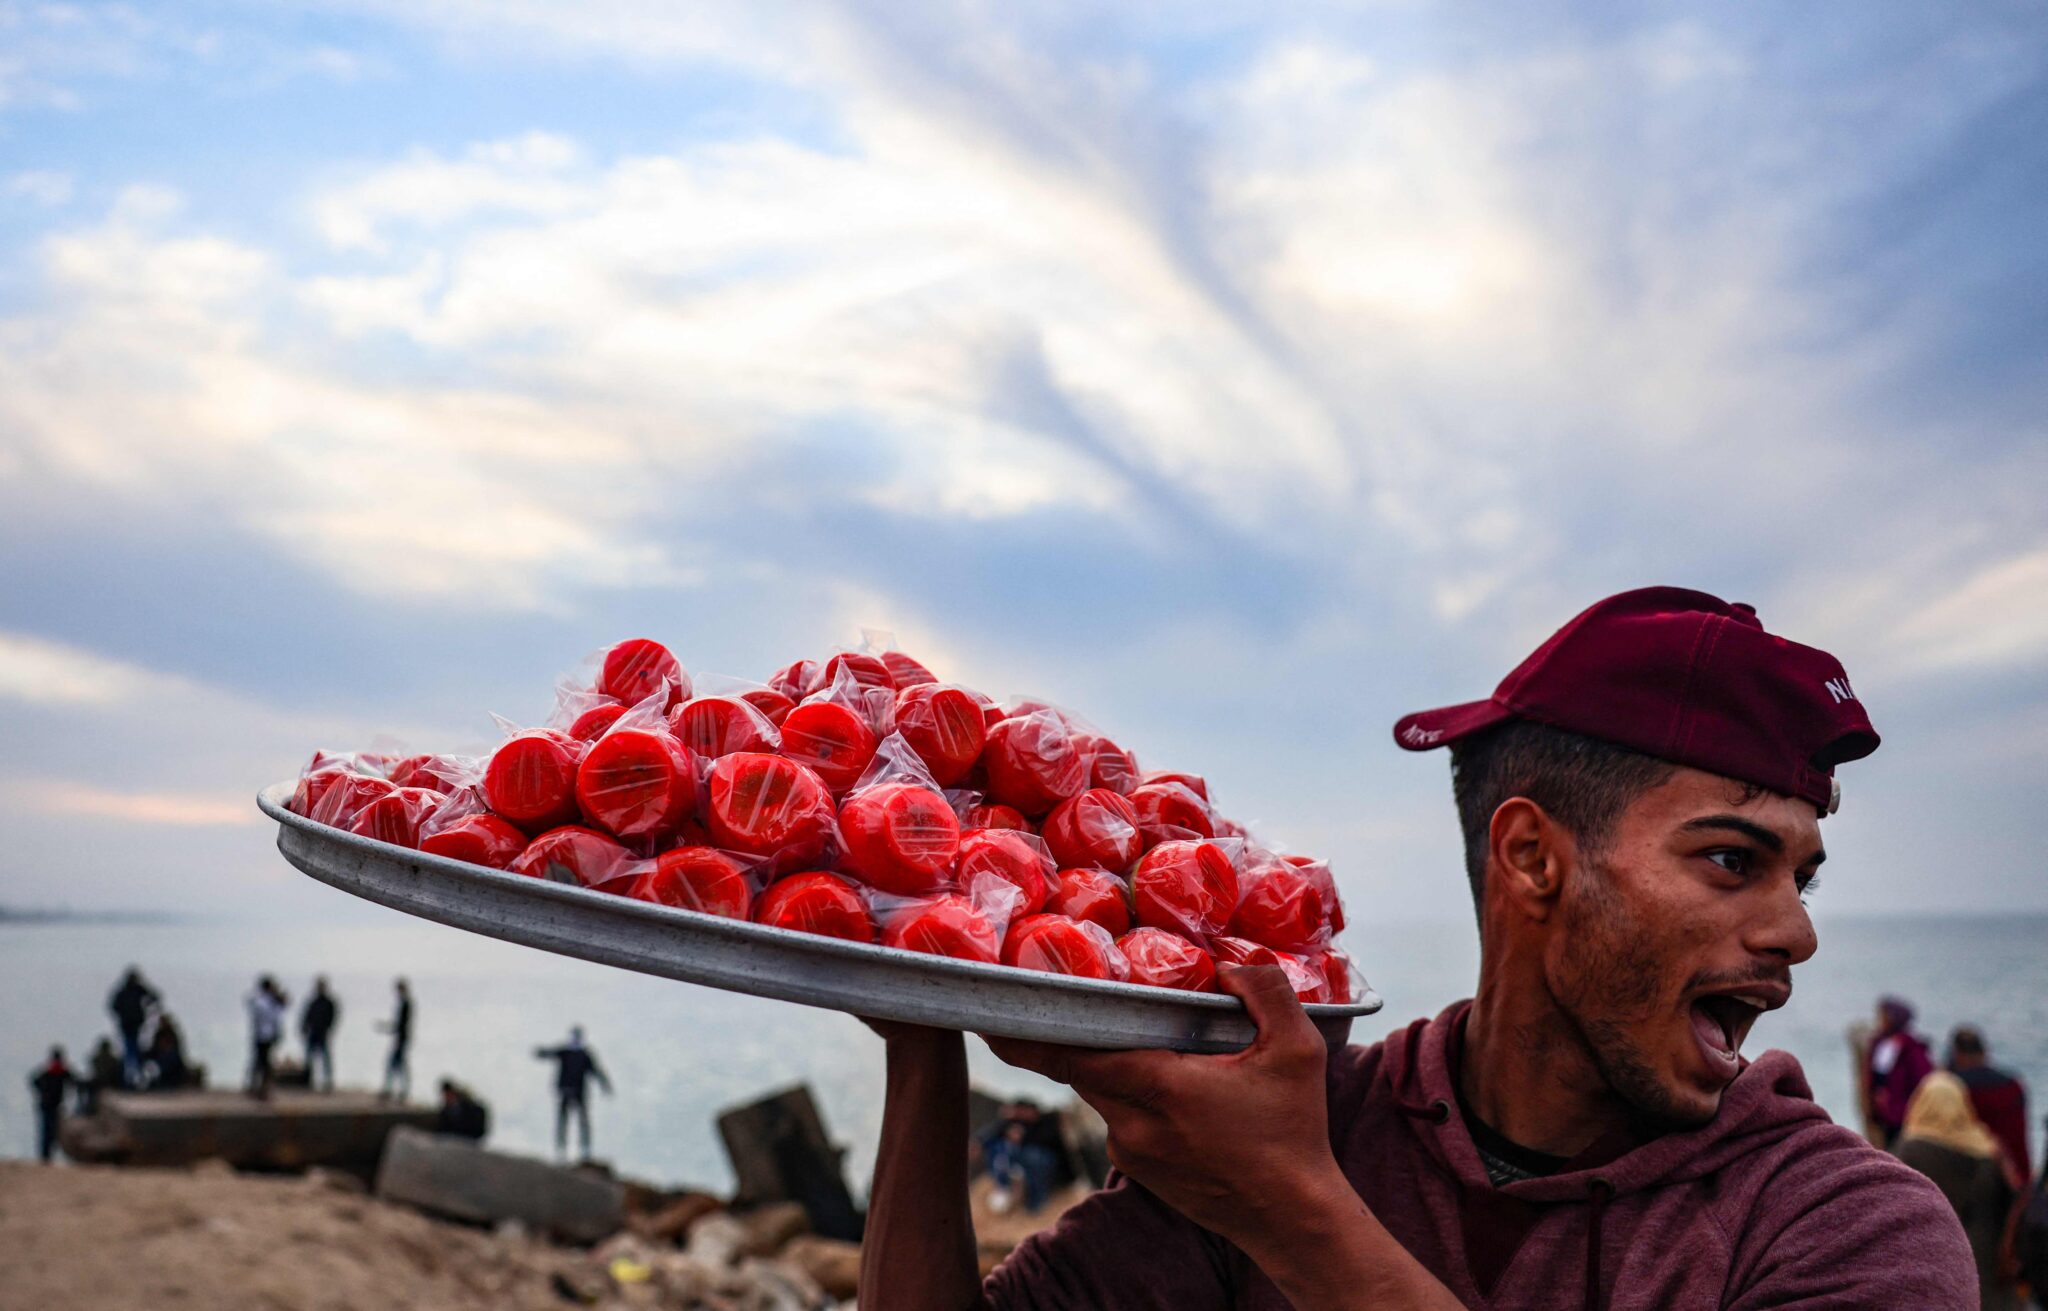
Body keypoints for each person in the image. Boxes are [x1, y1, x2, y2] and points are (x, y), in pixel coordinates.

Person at [859, 587, 1977, 1308]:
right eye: (1732, 861)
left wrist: (1288, 1212)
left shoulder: (1842, 1225)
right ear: (1533, 858)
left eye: (1801, 874)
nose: (1795, 931)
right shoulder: (1324, 1127)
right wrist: (918, 1020)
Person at [1894, 1071, 2021, 1311]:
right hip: (1988, 1267)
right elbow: (2011, 1198)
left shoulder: (1910, 1150)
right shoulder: (1989, 1149)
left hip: (1933, 1264)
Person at [1950, 1026, 2031, 1185]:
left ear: (1957, 1055)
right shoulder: (2013, 1085)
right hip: (2019, 1171)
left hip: (1976, 1172)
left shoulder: (1957, 1087)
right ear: (1984, 1053)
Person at [534, 1025, 611, 1160]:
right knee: (566, 1121)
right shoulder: (567, 1052)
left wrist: (605, 1085)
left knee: (580, 1121)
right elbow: (549, 1053)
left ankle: (584, 1151)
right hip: (567, 1091)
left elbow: (596, 1071)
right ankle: (562, 1150)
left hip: (578, 1092)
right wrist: (540, 1052)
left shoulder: (583, 1055)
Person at [1868, 995, 1936, 1148]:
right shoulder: (1881, 1043)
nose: (1880, 1020)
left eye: (1884, 1016)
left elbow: (1923, 1080)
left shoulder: (1911, 1048)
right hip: (1886, 1111)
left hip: (1903, 1113)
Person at [978, 1101, 1059, 1215]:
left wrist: (1023, 1137)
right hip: (1015, 1158)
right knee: (999, 1147)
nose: (1023, 1113)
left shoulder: (1045, 1122)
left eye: (1025, 1110)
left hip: (1039, 1158)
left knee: (1037, 1158)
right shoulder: (1012, 1122)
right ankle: (1003, 1187)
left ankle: (1035, 1202)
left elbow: (1049, 1141)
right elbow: (994, 1132)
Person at [107, 968, 159, 1086]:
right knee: (132, 1050)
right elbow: (155, 997)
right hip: (131, 1024)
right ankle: (132, 1077)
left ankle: (132, 1077)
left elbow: (155, 997)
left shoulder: (127, 991)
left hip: (131, 1024)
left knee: (131, 1050)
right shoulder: (135, 990)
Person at [28, 1047, 76, 1162]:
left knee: (50, 1132)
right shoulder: (52, 1072)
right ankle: (46, 1157)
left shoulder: (52, 1072)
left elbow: (74, 1081)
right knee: (48, 1132)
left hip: (52, 1106)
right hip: (49, 1106)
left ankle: (47, 1157)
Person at [245, 975, 288, 1099]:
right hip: (263, 1035)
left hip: (265, 1035)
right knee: (262, 1062)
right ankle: (260, 1087)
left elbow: (282, 1008)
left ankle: (260, 1087)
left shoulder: (266, 1001)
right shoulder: (263, 1002)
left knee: (261, 1062)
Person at [300, 977, 339, 1093]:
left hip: (323, 1032)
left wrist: (329, 1028)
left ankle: (328, 1081)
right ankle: (308, 1080)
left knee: (325, 1059)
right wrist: (304, 1027)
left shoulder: (329, 1002)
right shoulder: (314, 1001)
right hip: (313, 1032)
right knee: (309, 1058)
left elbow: (333, 1017)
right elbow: (307, 1015)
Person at [376, 979, 412, 1101]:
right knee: (398, 1066)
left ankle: (393, 1090)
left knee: (395, 1065)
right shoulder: (404, 1003)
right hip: (401, 1038)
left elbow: (401, 1024)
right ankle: (397, 1090)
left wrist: (386, 1028)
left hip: (401, 1039)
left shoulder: (406, 1004)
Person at [145, 1014, 191, 1090]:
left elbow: (178, 1049)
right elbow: (153, 1049)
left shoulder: (172, 1034)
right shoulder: (158, 1034)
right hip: (160, 1059)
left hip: (171, 1059)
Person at [81, 1037, 124, 1114]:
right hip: (108, 1082)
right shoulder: (113, 1059)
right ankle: (88, 1108)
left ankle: (87, 1108)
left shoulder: (97, 1058)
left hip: (103, 1082)